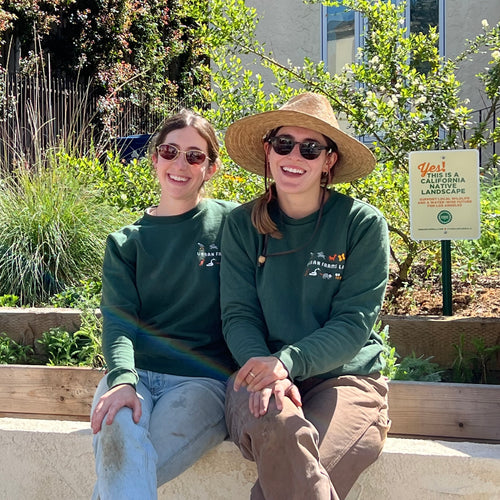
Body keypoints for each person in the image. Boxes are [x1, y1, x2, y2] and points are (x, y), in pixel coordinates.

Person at [220, 92, 391, 500]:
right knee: (280, 426)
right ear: (268, 150)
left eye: (310, 147)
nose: (294, 156)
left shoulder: (361, 225)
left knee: (297, 479)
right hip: (256, 375)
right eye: (284, 144)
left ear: (329, 160)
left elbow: (353, 322)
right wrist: (266, 371)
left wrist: (288, 362)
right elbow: (238, 315)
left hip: (348, 380)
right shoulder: (242, 225)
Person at [90, 109, 237, 499]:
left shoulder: (231, 223)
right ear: (154, 158)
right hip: (133, 377)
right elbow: (119, 323)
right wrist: (122, 379)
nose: (180, 164)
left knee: (127, 467)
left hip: (202, 383)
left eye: (195, 155)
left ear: (211, 168)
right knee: (120, 445)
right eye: (170, 151)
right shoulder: (126, 242)